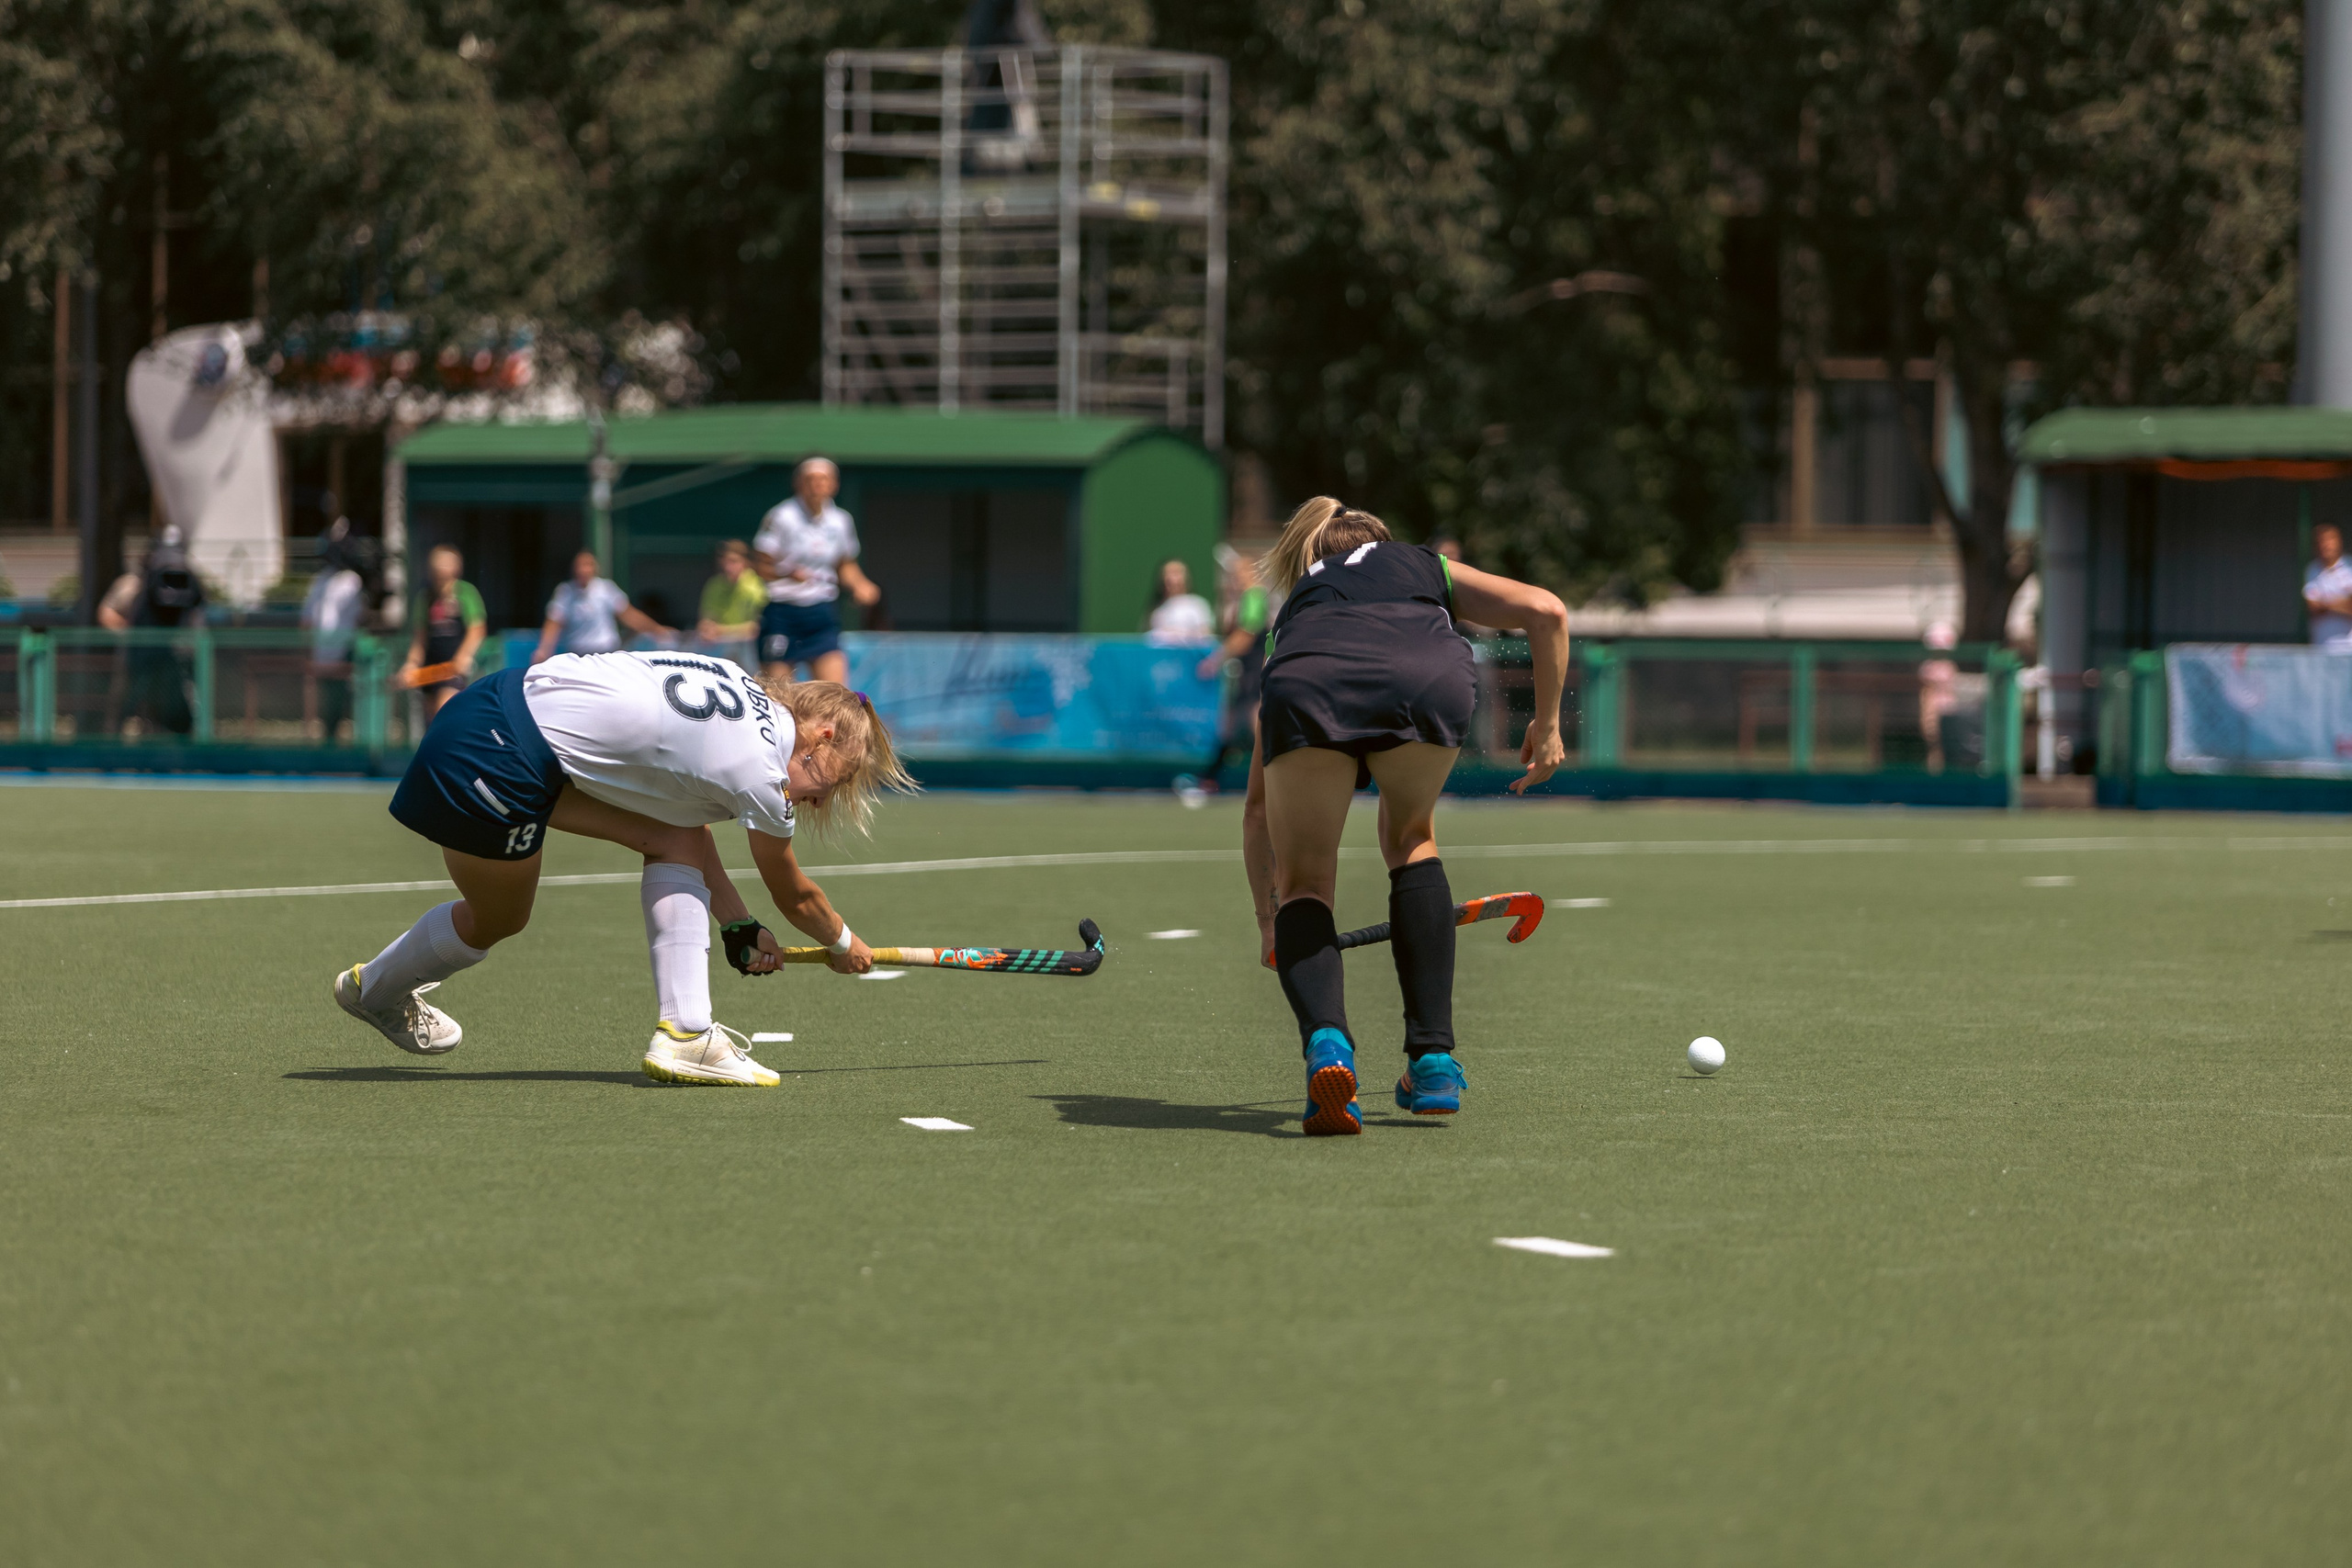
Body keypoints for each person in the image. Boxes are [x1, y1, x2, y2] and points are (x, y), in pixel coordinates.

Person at [332, 653, 916, 1087]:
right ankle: (378, 989)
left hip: (491, 705)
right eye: (835, 781)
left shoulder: (735, 681)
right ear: (824, 733)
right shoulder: (763, 771)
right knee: (498, 918)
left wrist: (736, 924)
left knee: (669, 838)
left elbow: (685, 832)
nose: (818, 801)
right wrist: (843, 942)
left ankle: (686, 1032)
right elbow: (795, 894)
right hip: (500, 758)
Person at [1240, 497, 1567, 1136]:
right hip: (1426, 676)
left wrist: (1269, 923)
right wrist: (1548, 725)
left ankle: (1329, 1047)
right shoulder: (1424, 567)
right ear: (1382, 542)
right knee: (1412, 840)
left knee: (1307, 882)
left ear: (1314, 554)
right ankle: (1434, 1061)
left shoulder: (1297, 610)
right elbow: (1547, 609)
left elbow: (1256, 812)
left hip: (1311, 681)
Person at [753, 457, 880, 686]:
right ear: (798, 484)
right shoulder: (782, 516)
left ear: (834, 485)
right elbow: (760, 566)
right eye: (811, 479)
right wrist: (787, 574)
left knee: (836, 694)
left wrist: (861, 585)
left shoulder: (841, 520)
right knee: (776, 696)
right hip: (783, 612)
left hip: (820, 611)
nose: (817, 485)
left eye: (824, 479)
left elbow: (845, 564)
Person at [97, 524, 206, 737]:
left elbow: (198, 616)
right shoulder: (134, 584)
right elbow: (106, 612)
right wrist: (132, 633)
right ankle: (111, 755)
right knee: (123, 710)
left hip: (174, 660)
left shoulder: (189, 581)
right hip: (136, 659)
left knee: (173, 714)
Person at [1198, 549, 1272, 782]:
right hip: (1248, 670)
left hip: (1255, 670)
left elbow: (1246, 635)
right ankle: (1209, 779)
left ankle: (1272, 778)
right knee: (1230, 725)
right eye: (1233, 575)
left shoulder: (1254, 596)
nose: (1235, 578)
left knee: (1253, 723)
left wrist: (1214, 660)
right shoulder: (1244, 599)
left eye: (1239, 574)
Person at [401, 544, 490, 724]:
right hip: (431, 668)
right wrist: (411, 664)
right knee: (430, 718)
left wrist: (463, 657)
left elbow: (477, 629)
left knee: (444, 709)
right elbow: (420, 638)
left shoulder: (466, 593)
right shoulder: (425, 597)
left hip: (453, 670)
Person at [535, 551, 669, 665]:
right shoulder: (565, 592)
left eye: (588, 565)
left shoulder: (606, 589)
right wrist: (543, 649)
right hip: (577, 656)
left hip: (606, 653)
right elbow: (554, 622)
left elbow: (628, 615)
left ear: (595, 568)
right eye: (580, 566)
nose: (584, 570)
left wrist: (656, 629)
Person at [302, 518, 367, 742]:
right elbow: (308, 619)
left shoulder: (352, 581)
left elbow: (358, 617)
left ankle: (342, 742)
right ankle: (325, 741)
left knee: (342, 701)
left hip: (343, 651)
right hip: (322, 652)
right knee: (324, 702)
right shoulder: (320, 581)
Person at [696, 539, 767, 672]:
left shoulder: (757, 588)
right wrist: (707, 628)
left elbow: (756, 628)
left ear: (746, 562)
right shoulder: (714, 585)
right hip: (719, 649)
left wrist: (720, 631)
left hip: (751, 652)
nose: (727, 567)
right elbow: (706, 619)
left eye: (733, 561)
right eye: (724, 561)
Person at [2305, 524, 2352, 649]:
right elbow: (2312, 607)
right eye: (2322, 541)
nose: (2326, 545)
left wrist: (2325, 603)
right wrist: (2342, 602)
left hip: (2348, 648)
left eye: (2331, 539)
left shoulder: (2350, 567)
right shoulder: (2312, 570)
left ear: (2339, 541)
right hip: (2321, 647)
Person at [1146, 558, 1215, 644]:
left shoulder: (1199, 605)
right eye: (1168, 573)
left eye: (1176, 573)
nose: (1172, 578)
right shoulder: (1157, 611)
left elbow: (1206, 636)